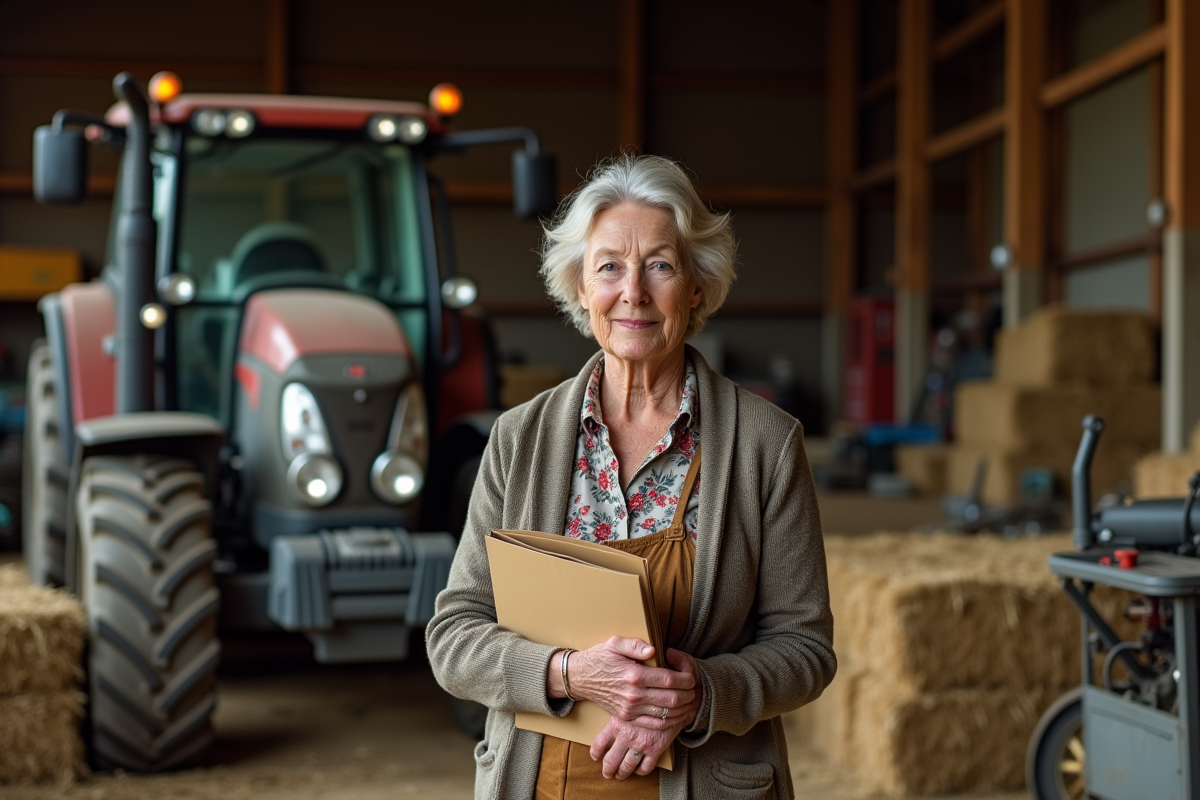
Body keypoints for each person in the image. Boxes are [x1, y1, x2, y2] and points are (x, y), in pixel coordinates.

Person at [427, 154, 835, 800]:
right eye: (609, 266)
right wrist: (568, 673)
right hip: (542, 782)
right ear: (581, 288)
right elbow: (455, 635)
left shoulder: (766, 444)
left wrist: (701, 692)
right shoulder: (518, 439)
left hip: (709, 783)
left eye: (661, 266)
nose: (634, 293)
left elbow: (805, 649)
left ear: (697, 285)